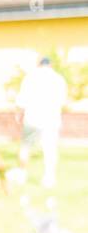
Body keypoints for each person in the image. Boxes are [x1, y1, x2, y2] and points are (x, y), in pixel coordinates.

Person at [16, 57, 68, 188]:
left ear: (39, 65)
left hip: (32, 117)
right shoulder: (58, 79)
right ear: (50, 65)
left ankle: (22, 174)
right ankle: (49, 178)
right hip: (51, 118)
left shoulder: (30, 78)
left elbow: (22, 99)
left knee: (25, 146)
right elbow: (63, 101)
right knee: (50, 149)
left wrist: (19, 115)